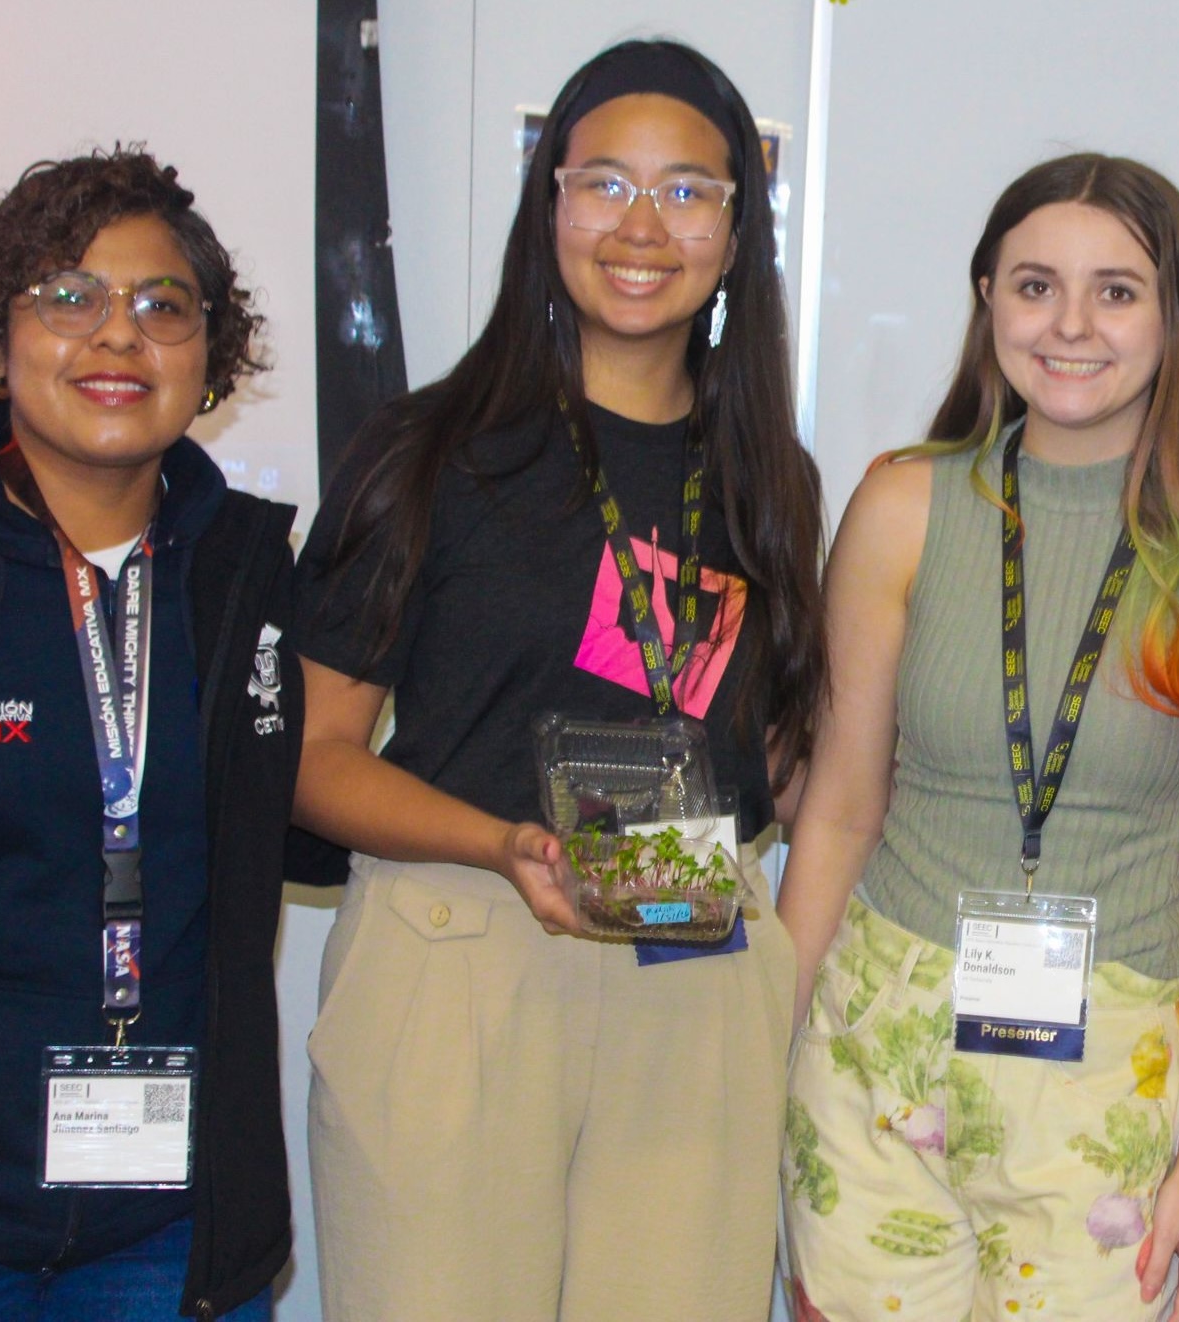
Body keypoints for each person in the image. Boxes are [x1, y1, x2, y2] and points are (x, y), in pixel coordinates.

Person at [292, 39, 826, 1322]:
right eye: (605, 183)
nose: (644, 225)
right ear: (550, 208)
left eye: (689, 191)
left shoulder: (773, 481)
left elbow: (782, 763)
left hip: (691, 958)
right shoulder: (427, 450)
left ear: (740, 231)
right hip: (463, 944)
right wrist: (505, 842)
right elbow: (313, 759)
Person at [778, 153, 1179, 1322]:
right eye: (1035, 286)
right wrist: (759, 1049)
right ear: (987, 302)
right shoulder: (902, 507)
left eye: (1117, 291)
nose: (1071, 324)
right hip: (877, 1042)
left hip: (1108, 1066)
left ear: (1174, 318)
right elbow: (837, 808)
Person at [0, 147, 296, 1319]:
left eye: (162, 306)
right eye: (68, 297)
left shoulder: (248, 574)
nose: (118, 335)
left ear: (210, 358)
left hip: (167, 1230)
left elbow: (304, 804)